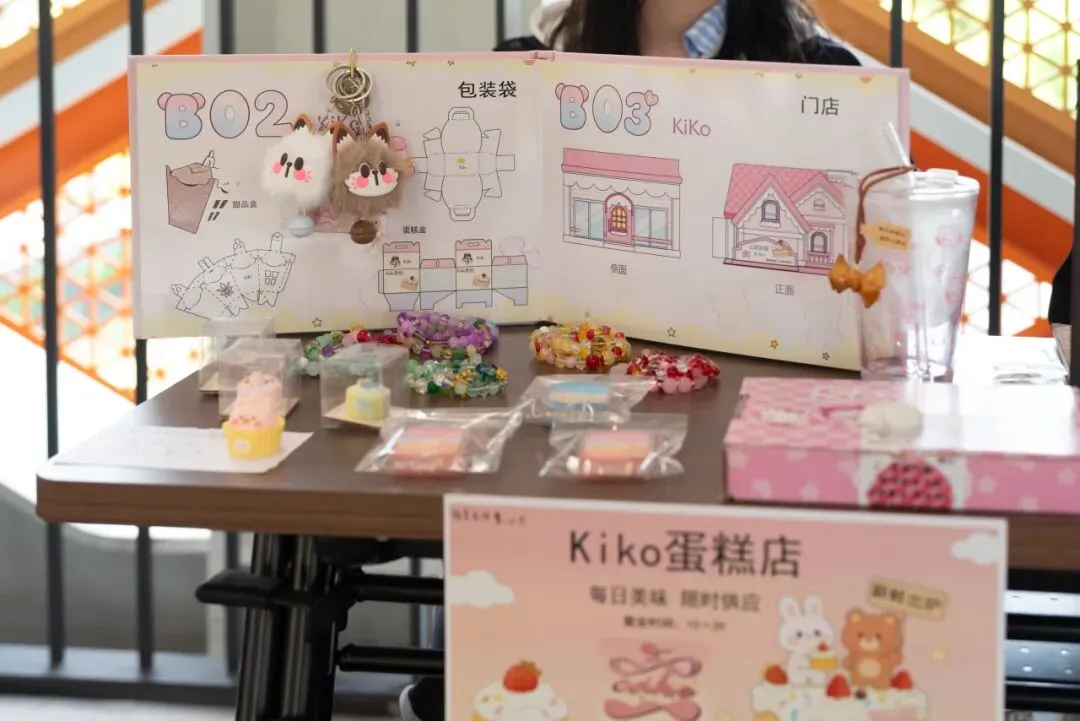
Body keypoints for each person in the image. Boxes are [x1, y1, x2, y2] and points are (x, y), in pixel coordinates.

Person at [399, 2, 859, 720]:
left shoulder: (820, 75)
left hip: (744, 430)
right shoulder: (531, 65)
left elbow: (863, 267)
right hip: (564, 426)